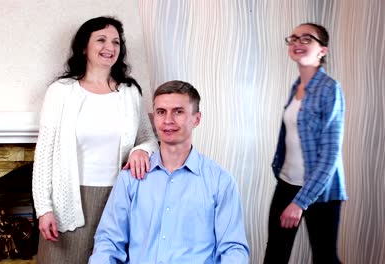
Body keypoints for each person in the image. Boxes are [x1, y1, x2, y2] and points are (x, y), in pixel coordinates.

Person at [32, 16, 158, 263]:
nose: (110, 47)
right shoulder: (61, 91)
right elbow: (44, 154)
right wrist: (43, 208)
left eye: (116, 42)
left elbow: (148, 139)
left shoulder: (129, 92)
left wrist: (140, 150)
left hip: (119, 197)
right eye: (101, 40)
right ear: (83, 47)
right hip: (69, 198)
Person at [89, 80, 250, 264]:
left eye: (178, 112)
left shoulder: (221, 181)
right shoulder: (130, 178)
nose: (168, 121)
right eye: (161, 112)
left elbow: (233, 250)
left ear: (196, 119)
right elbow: (108, 243)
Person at [264, 23, 347, 264]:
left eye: (307, 39)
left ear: (323, 50)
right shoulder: (296, 86)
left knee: (324, 258)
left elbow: (330, 153)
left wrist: (301, 201)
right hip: (287, 183)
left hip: (322, 191)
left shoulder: (330, 89)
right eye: (294, 38)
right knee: (276, 254)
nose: (297, 43)